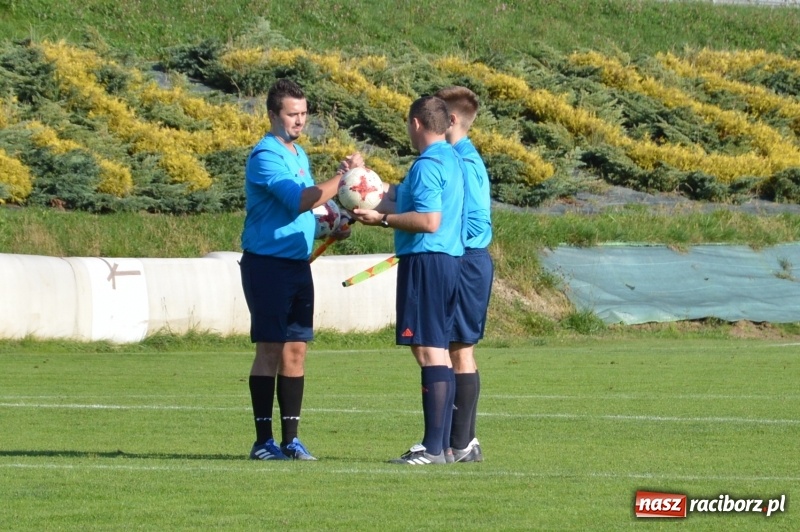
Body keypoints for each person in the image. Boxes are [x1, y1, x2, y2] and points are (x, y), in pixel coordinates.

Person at [240, 78, 363, 461]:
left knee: (296, 351)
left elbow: (312, 209)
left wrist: (333, 225)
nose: (299, 121)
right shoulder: (265, 156)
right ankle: (263, 441)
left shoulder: (299, 155)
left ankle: (291, 440)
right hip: (267, 265)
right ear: (274, 114)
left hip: (296, 264)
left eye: (304, 114)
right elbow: (297, 200)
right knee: (271, 349)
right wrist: (344, 180)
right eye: (292, 114)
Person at [352, 96, 465, 465]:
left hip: (427, 261)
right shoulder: (450, 157)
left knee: (430, 349)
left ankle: (432, 448)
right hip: (447, 261)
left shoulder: (428, 164)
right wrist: (362, 183)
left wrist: (381, 221)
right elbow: (401, 198)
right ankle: (443, 446)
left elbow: (428, 220)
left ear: (415, 123)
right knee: (434, 350)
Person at [435, 86, 494, 463]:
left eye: (439, 114)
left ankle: (460, 442)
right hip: (466, 258)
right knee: (458, 350)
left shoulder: (464, 161)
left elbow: (472, 220)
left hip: (467, 259)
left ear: (452, 120)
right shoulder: (458, 156)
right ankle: (463, 442)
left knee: (457, 350)